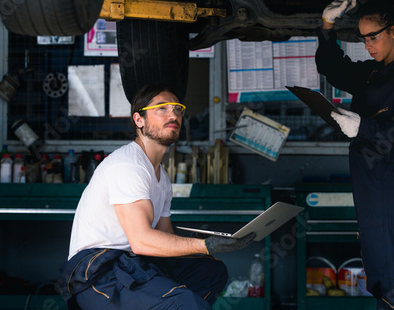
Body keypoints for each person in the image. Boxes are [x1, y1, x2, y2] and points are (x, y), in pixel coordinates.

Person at [60, 83, 256, 310]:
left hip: (133, 263)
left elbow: (164, 236)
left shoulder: (161, 176)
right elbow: (142, 241)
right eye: (161, 108)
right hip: (98, 274)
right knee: (185, 305)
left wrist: (216, 239)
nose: (173, 114)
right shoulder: (128, 165)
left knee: (211, 271)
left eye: (177, 109)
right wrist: (205, 245)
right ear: (139, 120)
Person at [316, 0, 394, 310]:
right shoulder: (374, 73)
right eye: (363, 39)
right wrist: (327, 24)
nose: (367, 45)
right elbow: (332, 67)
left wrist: (362, 127)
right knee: (378, 260)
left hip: (387, 179)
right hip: (367, 178)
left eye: (373, 37)